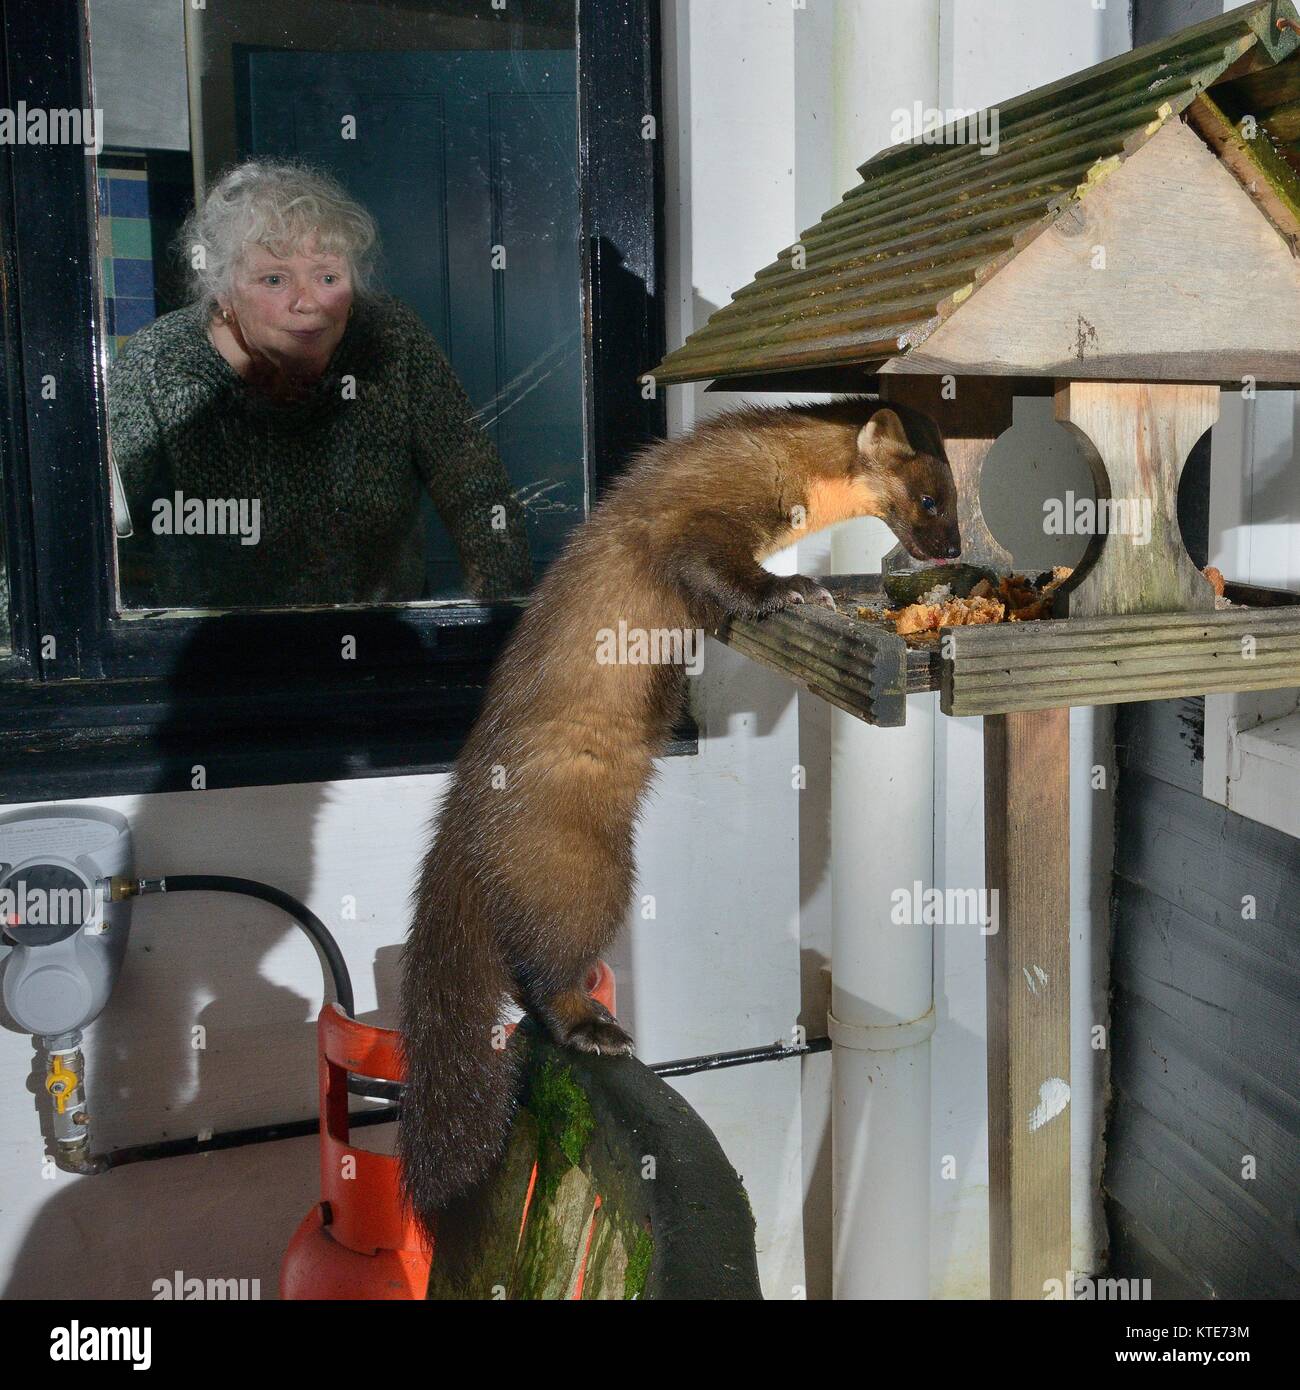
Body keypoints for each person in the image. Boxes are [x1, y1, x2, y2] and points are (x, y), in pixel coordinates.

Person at [108, 159, 533, 607]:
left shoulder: (390, 337)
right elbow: (103, 533)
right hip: (223, 656)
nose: (307, 303)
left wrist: (499, 625)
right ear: (223, 289)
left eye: (328, 277)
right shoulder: (159, 361)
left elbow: (475, 487)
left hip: (379, 646)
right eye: (274, 280)